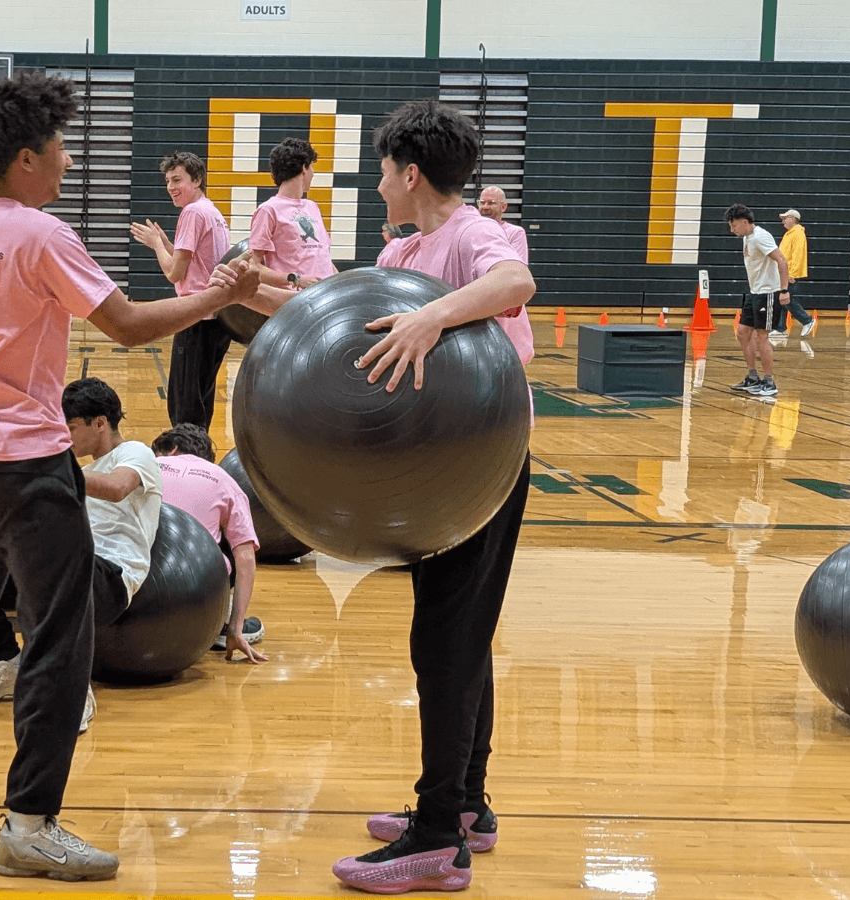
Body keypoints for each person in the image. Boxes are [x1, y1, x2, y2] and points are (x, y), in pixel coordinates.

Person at [0, 69, 259, 882]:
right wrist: (214, 295)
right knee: (60, 637)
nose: (67, 162)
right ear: (24, 157)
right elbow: (124, 325)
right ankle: (28, 825)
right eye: (59, 148)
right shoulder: (42, 235)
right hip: (28, 474)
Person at [323, 98, 536, 894]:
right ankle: (469, 807)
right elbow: (355, 321)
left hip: (477, 466)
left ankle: (439, 835)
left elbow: (515, 279)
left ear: (410, 173)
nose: (378, 185)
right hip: (444, 466)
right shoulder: (410, 247)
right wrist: (251, 294)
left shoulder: (470, 236)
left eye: (382, 172)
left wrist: (433, 319)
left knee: (444, 643)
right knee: (462, 636)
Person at [0, 377, 161, 735]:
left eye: (71, 428)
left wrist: (51, 472)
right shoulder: (74, 471)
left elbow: (116, 489)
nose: (66, 438)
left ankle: (73, 687)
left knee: (61, 560)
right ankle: (7, 661)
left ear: (100, 423)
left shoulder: (135, 453)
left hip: (110, 578)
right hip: (60, 565)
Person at [129, 151, 233, 430]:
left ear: (197, 180)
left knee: (184, 407)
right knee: (200, 400)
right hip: (217, 319)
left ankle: (187, 463)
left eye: (177, 180)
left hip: (196, 316)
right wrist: (164, 242)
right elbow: (193, 264)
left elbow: (174, 272)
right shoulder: (211, 211)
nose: (171, 187)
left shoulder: (192, 212)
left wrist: (157, 246)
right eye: (167, 181)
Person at [149, 423, 266, 663]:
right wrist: (237, 626)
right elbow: (246, 558)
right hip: (196, 597)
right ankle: (223, 627)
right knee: (234, 543)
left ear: (172, 450)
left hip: (135, 588)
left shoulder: (147, 466)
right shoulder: (225, 480)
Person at [248, 137, 336, 292]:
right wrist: (296, 279)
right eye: (312, 167)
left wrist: (341, 282)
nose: (313, 174)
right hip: (295, 303)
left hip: (326, 297)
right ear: (304, 168)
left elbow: (323, 258)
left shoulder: (312, 207)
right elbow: (253, 266)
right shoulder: (268, 210)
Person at [725, 204, 790, 398]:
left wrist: (784, 289)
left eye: (734, 225)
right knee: (743, 333)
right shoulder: (747, 237)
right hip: (755, 292)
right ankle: (752, 377)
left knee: (762, 336)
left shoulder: (761, 236)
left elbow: (781, 260)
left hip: (768, 293)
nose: (732, 230)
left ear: (745, 222)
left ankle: (769, 382)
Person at [774, 209, 814, 337]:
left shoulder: (797, 233)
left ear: (792, 218)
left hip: (789, 274)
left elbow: (797, 255)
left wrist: (791, 274)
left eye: (785, 218)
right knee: (781, 300)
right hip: (784, 273)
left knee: (788, 300)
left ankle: (807, 320)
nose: (783, 221)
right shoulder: (789, 234)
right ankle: (780, 328)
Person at [476, 185, 528, 264]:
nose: (485, 207)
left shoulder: (515, 233)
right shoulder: (470, 231)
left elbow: (517, 268)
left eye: (491, 203)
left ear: (503, 207)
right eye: (482, 202)